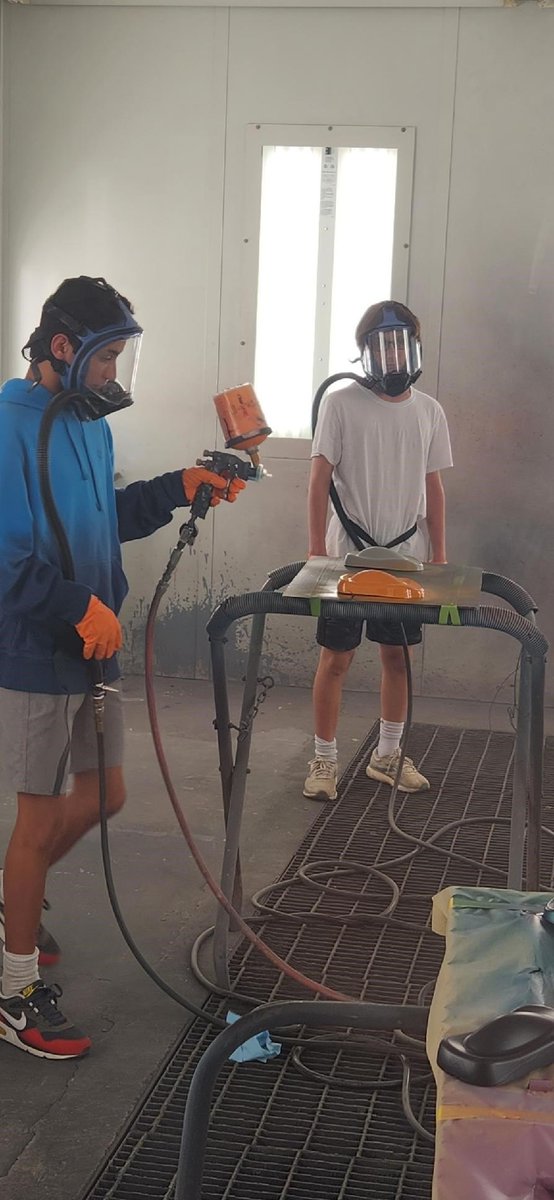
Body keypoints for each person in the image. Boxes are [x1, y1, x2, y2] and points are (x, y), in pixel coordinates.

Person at [0, 275, 245, 1059]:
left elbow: (105, 518)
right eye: (107, 359)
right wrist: (74, 604)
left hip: (93, 647)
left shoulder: (88, 426)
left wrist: (180, 487)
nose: (114, 376)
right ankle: (13, 993)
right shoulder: (7, 425)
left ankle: (11, 906)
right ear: (63, 349)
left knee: (106, 792)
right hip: (37, 650)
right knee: (35, 824)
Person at [303, 299, 453, 802]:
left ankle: (387, 754)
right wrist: (314, 550)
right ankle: (324, 760)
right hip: (346, 556)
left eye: (399, 342)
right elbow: (318, 479)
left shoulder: (429, 411)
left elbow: (433, 488)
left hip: (406, 557)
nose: (391, 353)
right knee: (336, 658)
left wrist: (440, 553)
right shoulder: (341, 403)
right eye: (380, 344)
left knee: (398, 657)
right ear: (366, 353)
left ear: (413, 348)